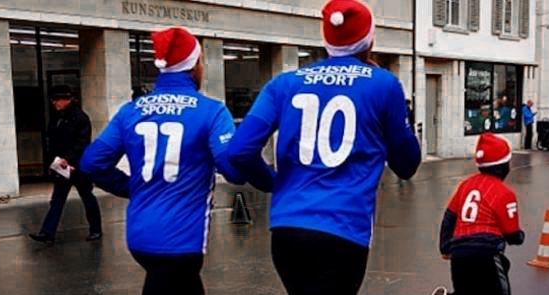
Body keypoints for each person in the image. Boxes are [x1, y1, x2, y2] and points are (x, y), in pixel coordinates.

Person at [225, 1, 422, 294]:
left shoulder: (283, 83)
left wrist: (272, 183)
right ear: (370, 41)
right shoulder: (384, 84)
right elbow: (407, 165)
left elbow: (238, 152)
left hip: (287, 228)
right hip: (344, 229)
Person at [79, 26, 258, 295]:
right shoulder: (211, 111)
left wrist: (130, 187)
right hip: (182, 240)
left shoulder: (131, 110)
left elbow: (92, 162)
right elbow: (233, 170)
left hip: (139, 237)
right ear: (195, 65)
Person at [434, 133, 525, 295]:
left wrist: (445, 247)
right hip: (487, 253)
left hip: (459, 254)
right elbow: (512, 234)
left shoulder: (466, 185)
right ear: (503, 166)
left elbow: (449, 216)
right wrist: (519, 237)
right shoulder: (504, 193)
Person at [28, 85, 102, 244]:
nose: (54, 103)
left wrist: (69, 159)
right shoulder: (57, 118)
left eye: (57, 100)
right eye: (53, 100)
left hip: (78, 166)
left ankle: (96, 229)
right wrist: (53, 160)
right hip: (61, 166)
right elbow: (52, 140)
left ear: (67, 100)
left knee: (87, 197)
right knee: (57, 199)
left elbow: (82, 143)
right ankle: (47, 233)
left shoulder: (80, 117)